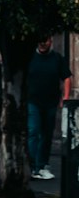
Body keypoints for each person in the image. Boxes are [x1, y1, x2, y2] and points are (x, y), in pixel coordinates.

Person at [27, 34, 71, 180]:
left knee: (46, 135)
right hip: (33, 101)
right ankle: (34, 166)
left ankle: (42, 164)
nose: (43, 43)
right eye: (40, 40)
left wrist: (65, 97)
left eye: (45, 40)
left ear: (50, 41)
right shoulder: (30, 57)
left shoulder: (57, 58)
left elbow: (66, 77)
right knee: (33, 131)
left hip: (51, 102)